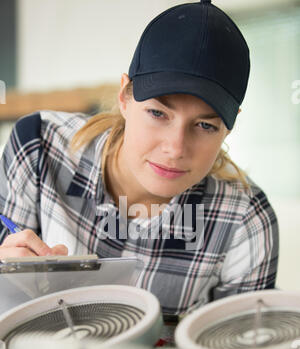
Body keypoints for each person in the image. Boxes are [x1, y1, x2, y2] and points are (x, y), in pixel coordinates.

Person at [0, 0, 278, 318]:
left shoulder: (246, 219)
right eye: (158, 113)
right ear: (124, 97)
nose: (175, 148)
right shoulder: (38, 145)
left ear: (229, 127)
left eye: (205, 125)